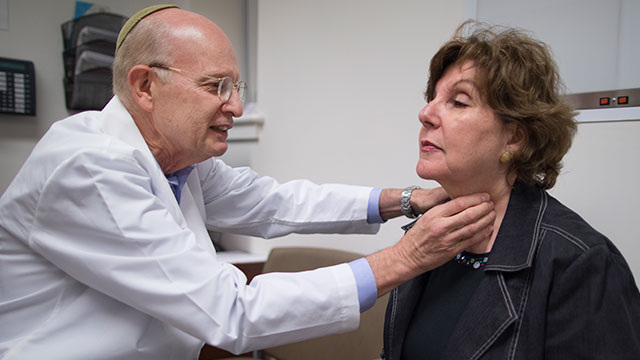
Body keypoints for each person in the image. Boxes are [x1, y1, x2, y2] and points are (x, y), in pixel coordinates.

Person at [0, 6, 497, 360]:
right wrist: (405, 258)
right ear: (145, 87)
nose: (235, 106)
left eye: (236, 87)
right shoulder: (89, 168)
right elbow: (232, 313)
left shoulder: (179, 162)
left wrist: (406, 200)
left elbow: (273, 203)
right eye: (216, 86)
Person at [381, 21, 640, 360]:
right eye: (433, 98)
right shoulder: (425, 234)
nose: (425, 113)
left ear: (514, 138)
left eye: (458, 102)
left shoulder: (581, 264)